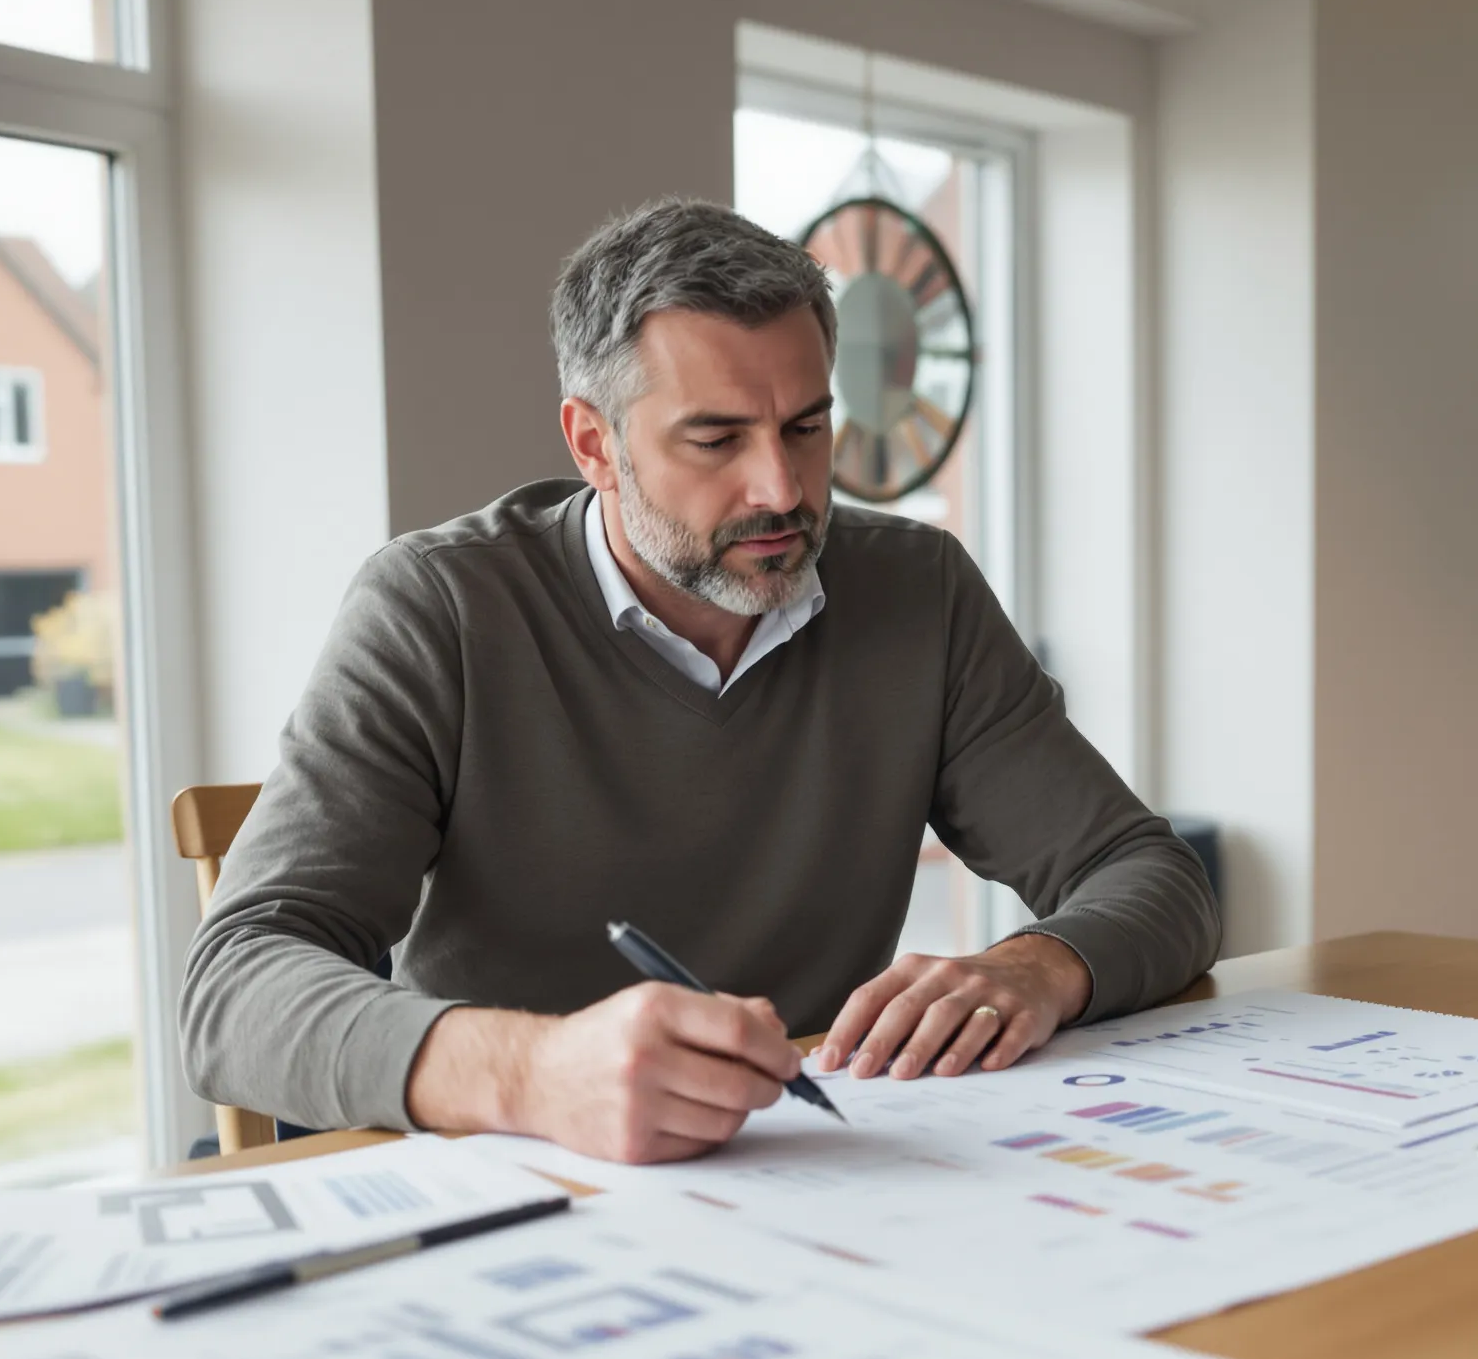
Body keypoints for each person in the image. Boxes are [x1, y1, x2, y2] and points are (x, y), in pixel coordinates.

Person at [184, 197, 1218, 1163]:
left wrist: (1036, 968)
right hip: (513, 1181)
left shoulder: (918, 593)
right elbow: (234, 988)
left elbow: (1149, 876)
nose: (782, 488)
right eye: (716, 438)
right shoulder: (440, 608)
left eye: (807, 427)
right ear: (595, 444)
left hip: (822, 1166)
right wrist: (535, 1075)